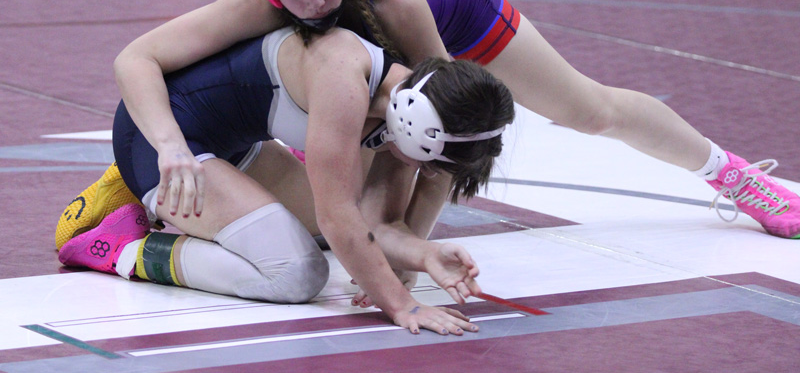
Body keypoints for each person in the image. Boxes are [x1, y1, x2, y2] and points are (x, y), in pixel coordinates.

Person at [118, 0, 790, 240]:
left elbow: (447, 132)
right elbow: (143, 58)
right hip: (372, 65)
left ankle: (730, 173)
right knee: (341, 195)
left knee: (585, 109)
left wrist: (410, 250)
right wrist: (173, 150)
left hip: (450, 10)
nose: (308, 0)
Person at [56, 22, 516, 336]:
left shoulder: (405, 97)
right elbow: (342, 220)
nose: (424, 173)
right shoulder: (345, 83)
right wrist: (402, 306)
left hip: (230, 146)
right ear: (420, 130)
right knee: (296, 273)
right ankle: (122, 250)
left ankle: (153, 195)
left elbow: (371, 227)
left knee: (320, 236)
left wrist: (427, 254)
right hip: (160, 140)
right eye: (429, 164)